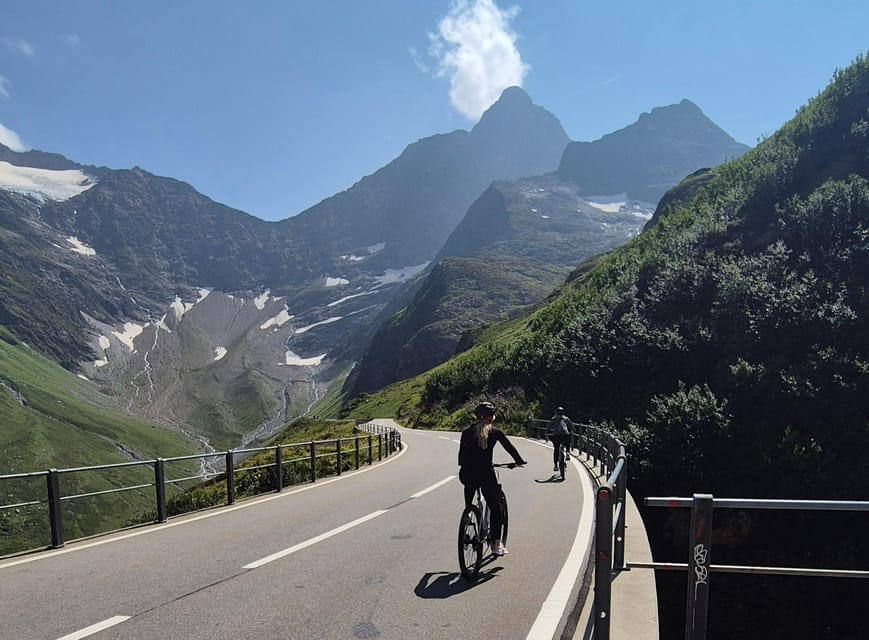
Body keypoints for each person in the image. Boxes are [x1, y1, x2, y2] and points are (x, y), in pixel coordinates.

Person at [458, 401, 526, 556]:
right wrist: (519, 461)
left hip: (466, 474)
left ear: (476, 416)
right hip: (485, 474)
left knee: (469, 485)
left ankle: (468, 512)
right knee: (495, 508)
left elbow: (461, 458)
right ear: (491, 417)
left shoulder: (466, 432)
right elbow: (510, 449)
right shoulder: (495, 432)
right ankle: (496, 544)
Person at [547, 406, 574, 472]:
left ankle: (556, 466)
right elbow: (571, 426)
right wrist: (573, 430)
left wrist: (546, 433)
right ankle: (567, 452)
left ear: (556, 412)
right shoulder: (566, 418)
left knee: (556, 449)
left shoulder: (553, 419)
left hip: (556, 436)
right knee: (567, 441)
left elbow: (549, 427)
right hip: (565, 434)